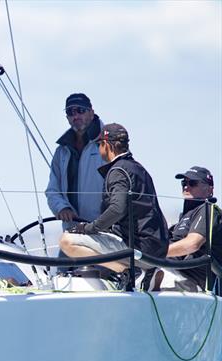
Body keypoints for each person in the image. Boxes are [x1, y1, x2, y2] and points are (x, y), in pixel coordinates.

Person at [60, 123, 169, 273]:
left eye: (99, 144)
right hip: (157, 249)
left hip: (137, 248)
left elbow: (117, 209)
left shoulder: (118, 171)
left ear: (106, 145)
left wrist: (88, 228)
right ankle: (140, 273)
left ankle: (129, 272)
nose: (98, 149)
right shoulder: (138, 168)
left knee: (67, 241)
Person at [45, 93, 105, 228]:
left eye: (80, 110)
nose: (76, 116)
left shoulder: (108, 143)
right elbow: (52, 190)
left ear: (91, 112)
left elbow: (122, 185)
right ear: (67, 117)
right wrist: (61, 208)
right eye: (70, 112)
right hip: (73, 231)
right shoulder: (62, 151)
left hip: (104, 230)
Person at [166, 166, 221, 291]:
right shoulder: (181, 220)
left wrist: (157, 253)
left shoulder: (208, 210)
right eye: (184, 183)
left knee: (157, 274)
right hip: (175, 273)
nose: (186, 186)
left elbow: (192, 244)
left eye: (192, 183)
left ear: (210, 189)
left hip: (197, 284)